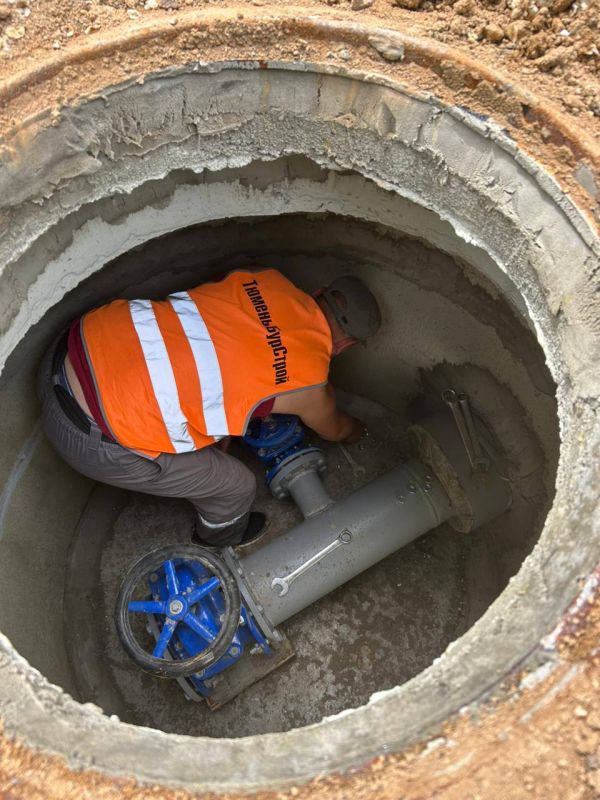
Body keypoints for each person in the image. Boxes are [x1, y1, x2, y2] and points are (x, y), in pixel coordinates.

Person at [38, 269, 381, 548]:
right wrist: (359, 431)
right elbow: (336, 429)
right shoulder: (309, 384)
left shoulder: (263, 278)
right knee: (236, 485)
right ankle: (219, 537)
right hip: (87, 436)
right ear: (345, 345)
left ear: (319, 290)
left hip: (68, 346)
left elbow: (218, 343)